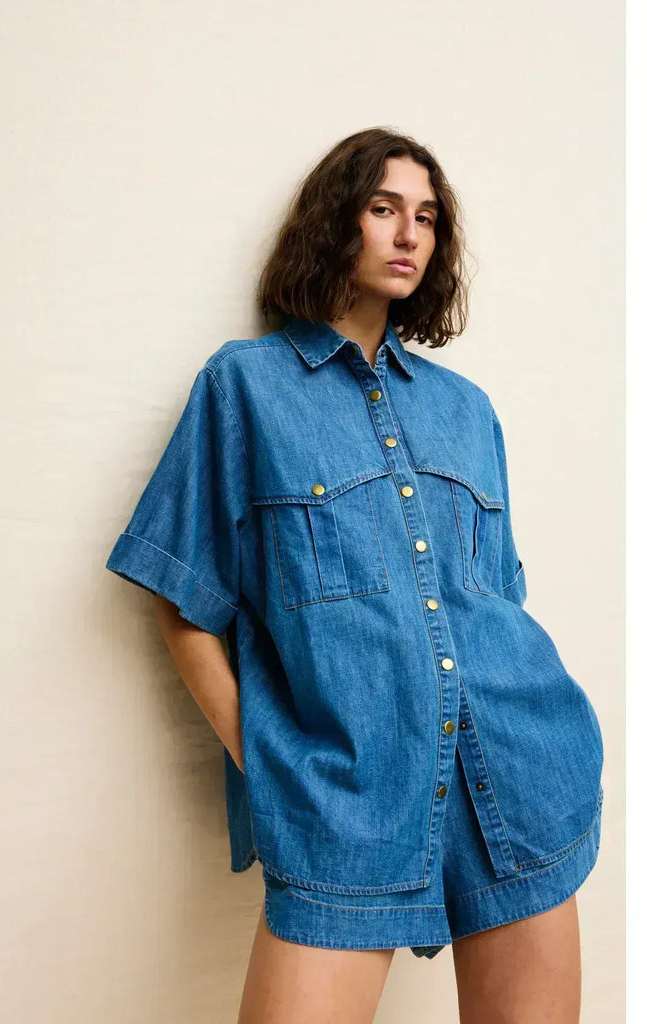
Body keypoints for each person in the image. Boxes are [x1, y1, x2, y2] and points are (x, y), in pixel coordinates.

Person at [105, 127, 604, 1024]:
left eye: (427, 218)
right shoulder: (245, 387)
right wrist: (269, 762)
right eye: (383, 209)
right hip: (345, 802)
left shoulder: (466, 411)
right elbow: (182, 599)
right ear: (338, 221)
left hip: (517, 780)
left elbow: (499, 600)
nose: (409, 234)